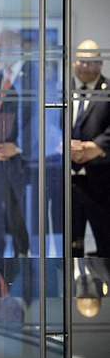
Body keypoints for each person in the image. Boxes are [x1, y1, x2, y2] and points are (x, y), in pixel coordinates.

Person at [0, 29, 31, 258]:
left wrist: (19, 145)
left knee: (23, 217)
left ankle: (28, 273)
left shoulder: (35, 76)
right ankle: (2, 274)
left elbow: (45, 120)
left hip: (24, 161)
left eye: (1, 46)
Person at [70, 39, 110, 257]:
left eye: (90, 61)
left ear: (100, 64)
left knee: (105, 244)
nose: (84, 66)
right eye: (81, 60)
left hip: (102, 184)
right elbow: (48, 125)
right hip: (67, 184)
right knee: (70, 248)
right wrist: (62, 144)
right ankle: (72, 290)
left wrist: (96, 146)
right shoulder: (63, 90)